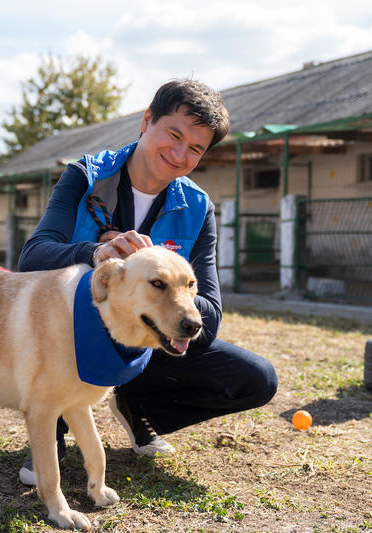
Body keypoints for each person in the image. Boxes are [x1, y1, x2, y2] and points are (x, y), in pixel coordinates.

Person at [16, 78, 278, 486]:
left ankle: (139, 407)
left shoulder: (197, 207)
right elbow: (31, 258)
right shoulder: (85, 176)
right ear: (146, 120)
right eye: (173, 134)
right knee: (66, 323)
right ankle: (54, 426)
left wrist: (172, 287)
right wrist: (95, 252)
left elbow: (208, 316)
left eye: (195, 148)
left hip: (145, 342)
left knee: (256, 379)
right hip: (70, 336)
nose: (179, 154)